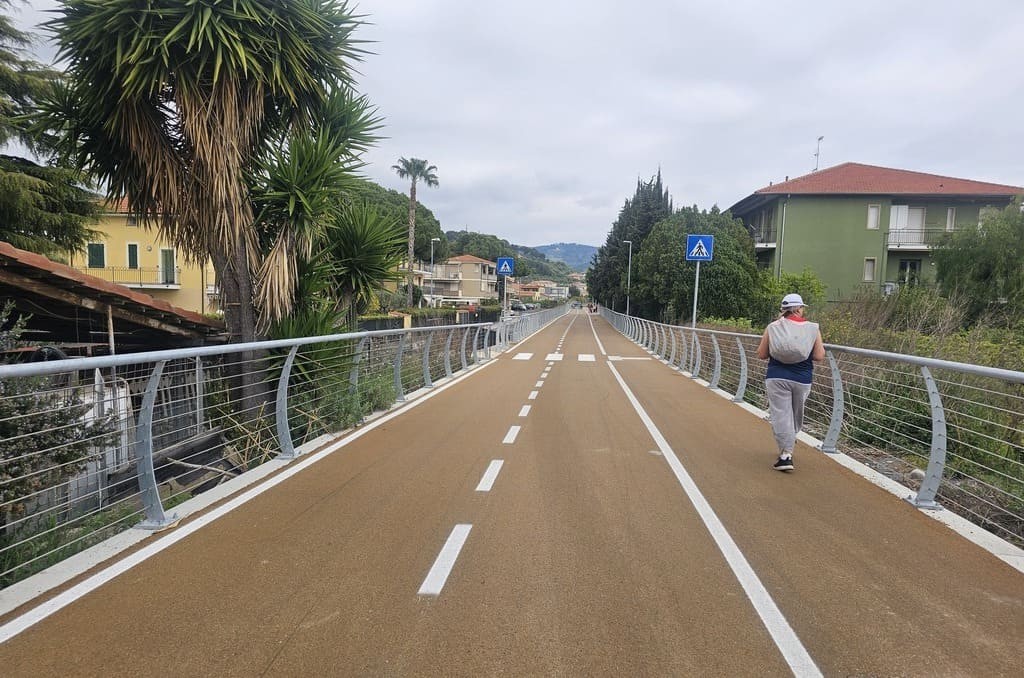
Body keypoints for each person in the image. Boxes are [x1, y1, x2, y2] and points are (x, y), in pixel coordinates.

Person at [755, 293, 826, 471]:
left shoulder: (772, 327)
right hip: (802, 377)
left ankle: (786, 454)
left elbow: (762, 354)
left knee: (781, 414)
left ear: (783, 309)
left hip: (776, 376)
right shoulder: (812, 328)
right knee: (795, 415)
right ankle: (788, 445)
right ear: (799, 309)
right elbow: (819, 356)